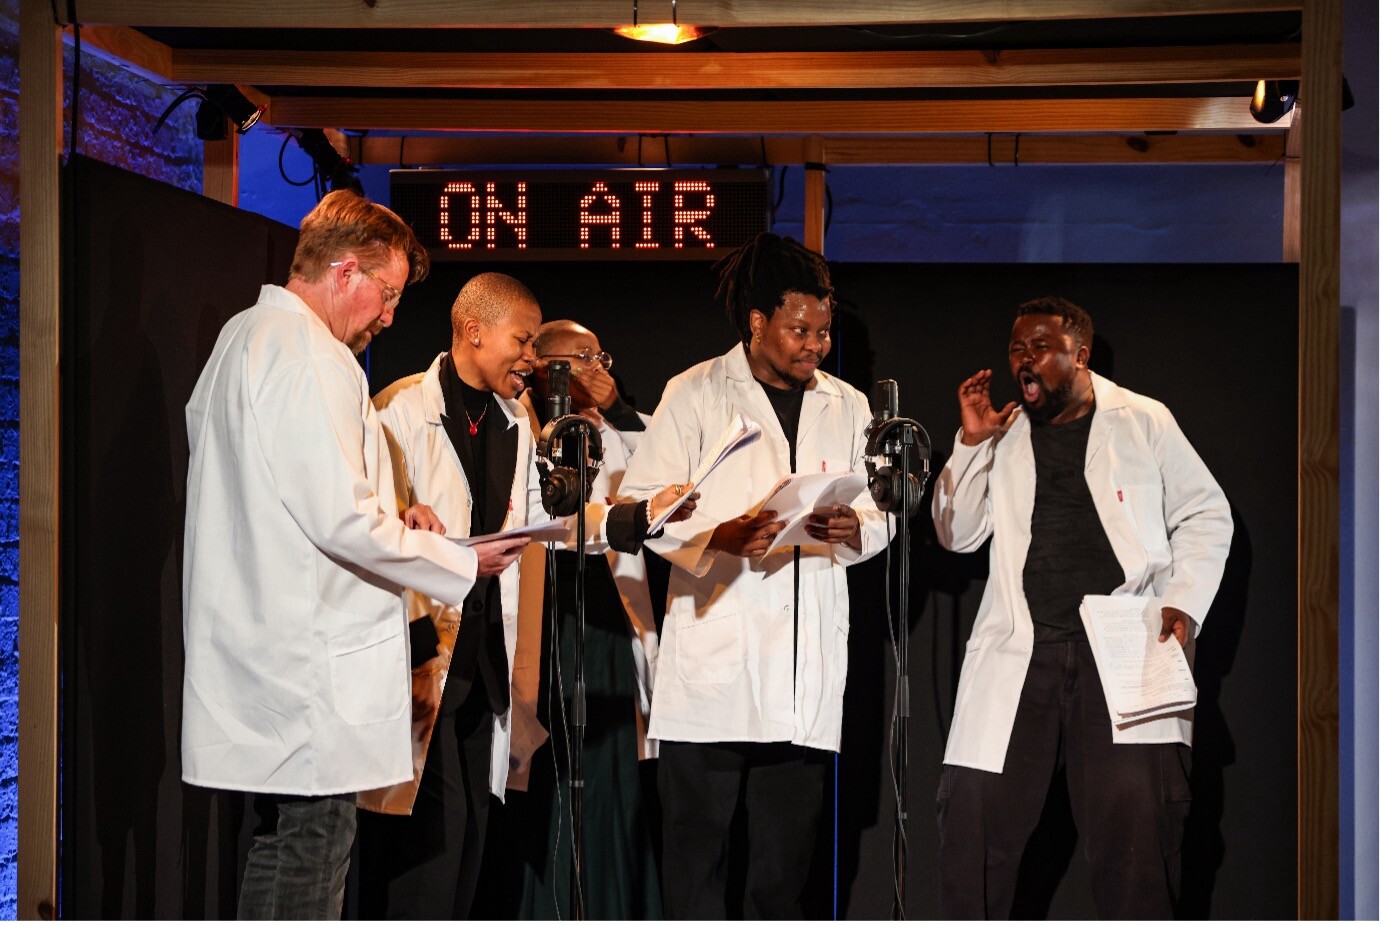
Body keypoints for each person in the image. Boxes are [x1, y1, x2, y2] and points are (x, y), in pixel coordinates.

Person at [181, 191, 529, 920]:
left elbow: (285, 494)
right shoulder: (312, 355)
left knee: (281, 845)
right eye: (388, 294)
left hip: (263, 650)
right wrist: (460, 560)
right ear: (344, 273)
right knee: (309, 855)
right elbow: (338, 518)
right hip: (307, 667)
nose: (390, 317)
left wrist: (390, 515)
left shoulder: (241, 338)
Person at [356, 276, 691, 919]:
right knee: (421, 866)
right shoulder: (397, 412)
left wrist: (638, 517)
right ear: (473, 331)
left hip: (485, 670)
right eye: (523, 340)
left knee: (472, 861)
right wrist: (419, 530)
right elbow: (366, 528)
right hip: (423, 664)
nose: (533, 360)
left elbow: (551, 520)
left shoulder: (518, 419)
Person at [931, 296, 1233, 919]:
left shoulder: (1143, 420)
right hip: (1022, 650)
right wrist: (968, 442)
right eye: (1017, 348)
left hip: (1123, 649)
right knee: (974, 829)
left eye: (1039, 347)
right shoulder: (1003, 431)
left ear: (1080, 353)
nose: (1024, 360)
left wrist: (1184, 603)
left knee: (1138, 844)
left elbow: (1206, 512)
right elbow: (954, 534)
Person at [620, 232, 890, 919]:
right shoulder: (695, 392)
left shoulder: (848, 403)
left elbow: (878, 511)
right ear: (757, 321)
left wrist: (857, 528)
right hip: (713, 678)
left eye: (824, 332)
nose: (816, 345)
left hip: (803, 685)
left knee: (781, 880)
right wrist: (721, 536)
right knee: (697, 876)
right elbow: (646, 507)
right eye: (801, 329)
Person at [508, 320, 664, 919]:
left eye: (601, 355)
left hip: (607, 611)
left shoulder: (619, 426)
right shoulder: (519, 421)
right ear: (547, 366)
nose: (597, 367)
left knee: (610, 769)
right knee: (548, 767)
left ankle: (614, 904)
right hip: (545, 607)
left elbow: (658, 484)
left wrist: (617, 410)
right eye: (581, 358)